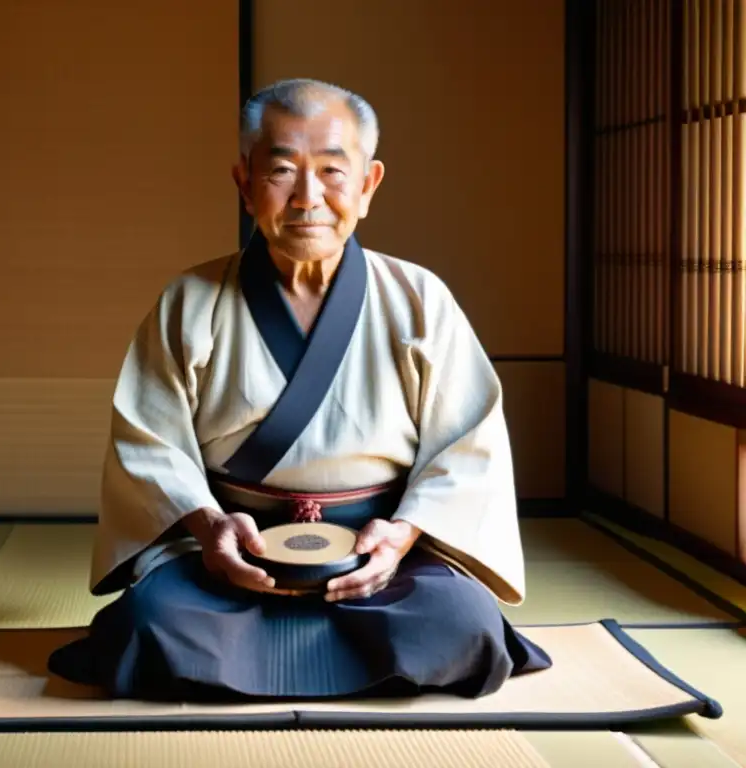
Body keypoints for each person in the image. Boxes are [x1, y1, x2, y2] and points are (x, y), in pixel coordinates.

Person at [48, 78, 552, 701]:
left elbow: (466, 446)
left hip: (378, 554)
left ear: (368, 186)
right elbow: (149, 444)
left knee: (463, 628)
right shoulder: (190, 301)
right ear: (244, 183)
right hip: (233, 552)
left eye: (334, 173)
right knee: (154, 628)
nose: (308, 197)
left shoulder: (420, 300)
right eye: (282, 170)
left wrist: (404, 536)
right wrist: (208, 529)